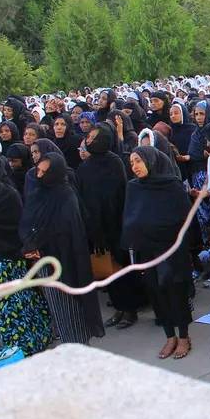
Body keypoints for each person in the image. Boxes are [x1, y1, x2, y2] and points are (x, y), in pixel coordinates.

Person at [0, 155, 52, 355]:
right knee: (2, 307)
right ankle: (15, 348)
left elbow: (20, 226)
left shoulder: (9, 195)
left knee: (21, 302)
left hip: (11, 259)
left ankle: (33, 341)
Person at [18, 152, 104, 344]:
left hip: (66, 262)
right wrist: (30, 244)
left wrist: (41, 243)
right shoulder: (38, 193)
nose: (40, 175)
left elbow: (66, 232)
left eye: (45, 172)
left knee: (71, 308)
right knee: (57, 309)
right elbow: (28, 222)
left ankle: (80, 347)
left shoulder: (66, 196)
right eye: (39, 171)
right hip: (44, 261)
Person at [122, 146, 195, 360]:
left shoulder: (171, 185)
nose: (135, 166)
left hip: (171, 249)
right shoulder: (134, 187)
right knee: (156, 292)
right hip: (147, 250)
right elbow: (129, 217)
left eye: (138, 161)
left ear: (151, 160)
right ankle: (169, 335)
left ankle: (183, 336)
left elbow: (185, 217)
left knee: (175, 291)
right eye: (132, 163)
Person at [77, 124, 141, 329]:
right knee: (107, 270)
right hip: (96, 229)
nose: (89, 140)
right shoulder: (84, 167)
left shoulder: (114, 162)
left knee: (122, 269)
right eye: (88, 137)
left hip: (116, 225)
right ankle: (119, 308)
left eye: (93, 137)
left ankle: (130, 310)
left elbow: (120, 195)